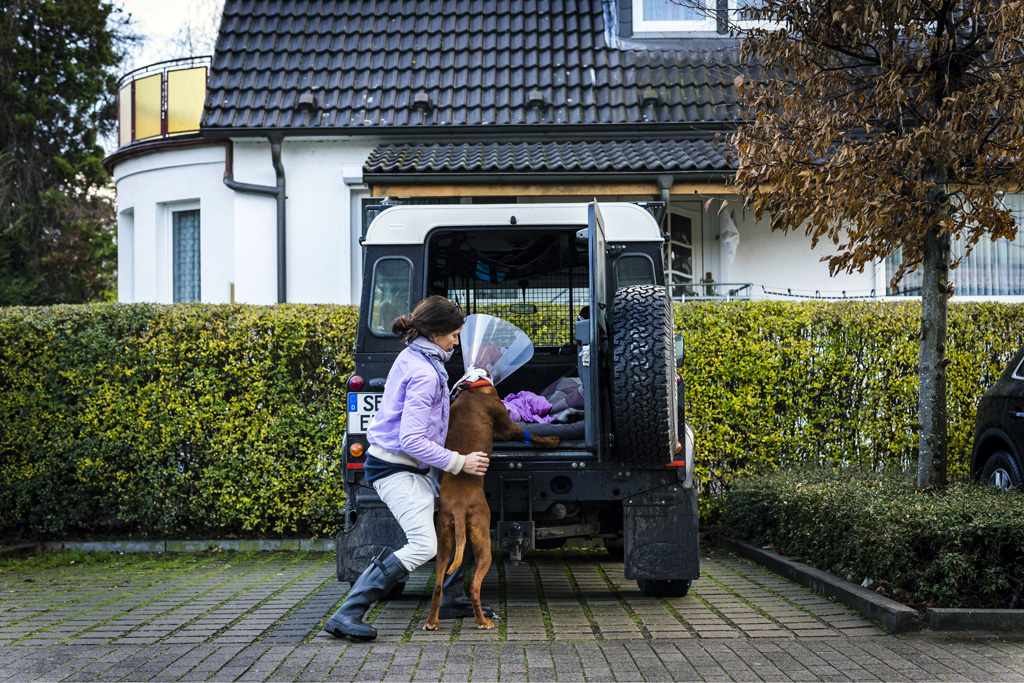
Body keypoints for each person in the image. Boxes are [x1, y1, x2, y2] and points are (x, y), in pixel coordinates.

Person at [324, 295, 490, 641]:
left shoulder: (415, 355)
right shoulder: (424, 372)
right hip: (396, 470)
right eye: (455, 335)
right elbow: (412, 440)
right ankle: (347, 613)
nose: (457, 343)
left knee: (445, 519)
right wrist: (461, 462)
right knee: (423, 545)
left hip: (408, 466)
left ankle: (455, 597)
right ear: (436, 333)